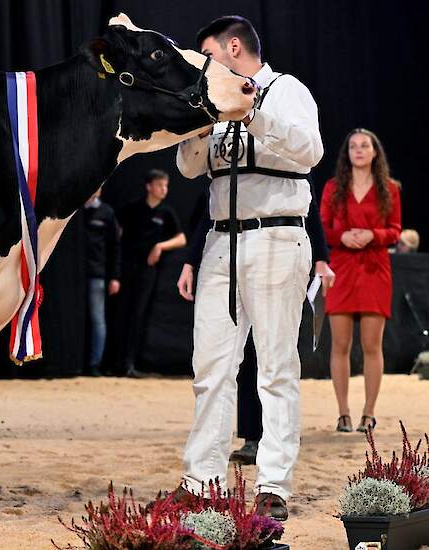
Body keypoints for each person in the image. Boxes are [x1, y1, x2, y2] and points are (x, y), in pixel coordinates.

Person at [173, 15, 329, 521]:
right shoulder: (212, 103)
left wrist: (253, 109)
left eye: (208, 57)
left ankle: (274, 484)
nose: (203, 67)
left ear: (233, 47)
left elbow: (310, 150)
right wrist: (197, 122)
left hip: (277, 235)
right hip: (221, 241)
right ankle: (202, 481)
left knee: (276, 367)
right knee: (211, 366)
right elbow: (190, 168)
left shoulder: (286, 91)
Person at [179, 185, 333, 466]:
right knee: (244, 360)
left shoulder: (284, 152)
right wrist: (191, 260)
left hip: (278, 253)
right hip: (226, 255)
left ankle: (278, 439)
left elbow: (307, 203)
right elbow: (207, 212)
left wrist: (321, 257)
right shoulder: (225, 157)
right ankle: (251, 436)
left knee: (275, 360)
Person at [320, 129, 402, 434]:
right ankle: (343, 413)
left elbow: (395, 229)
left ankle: (368, 413)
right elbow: (322, 228)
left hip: (374, 268)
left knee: (371, 345)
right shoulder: (333, 187)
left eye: (364, 145)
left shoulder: (389, 189)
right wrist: (340, 235)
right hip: (341, 268)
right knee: (340, 344)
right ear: (347, 153)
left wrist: (373, 235)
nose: (358, 150)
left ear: (374, 152)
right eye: (353, 146)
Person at [115, 169, 186, 377]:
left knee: (137, 316)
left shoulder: (166, 213)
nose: (164, 189)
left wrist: (160, 246)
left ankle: (129, 363)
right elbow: (116, 229)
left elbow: (182, 239)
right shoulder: (132, 209)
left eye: (166, 186)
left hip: (148, 272)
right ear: (149, 186)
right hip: (126, 268)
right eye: (160, 185)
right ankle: (114, 363)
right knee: (120, 314)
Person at [84, 188, 121, 376]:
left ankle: (95, 363)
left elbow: (115, 247)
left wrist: (114, 276)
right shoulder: (74, 211)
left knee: (98, 319)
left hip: (97, 275)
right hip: (75, 277)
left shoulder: (106, 212)